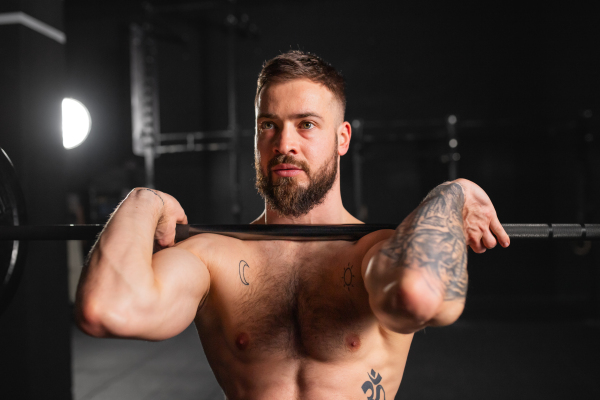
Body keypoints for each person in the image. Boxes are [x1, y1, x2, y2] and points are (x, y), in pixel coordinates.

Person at [76, 50, 510, 399]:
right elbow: (105, 310)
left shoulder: (374, 252)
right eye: (269, 125)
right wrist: (143, 201)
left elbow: (422, 297)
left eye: (306, 125)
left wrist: (451, 195)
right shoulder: (215, 258)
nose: (284, 144)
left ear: (341, 139)